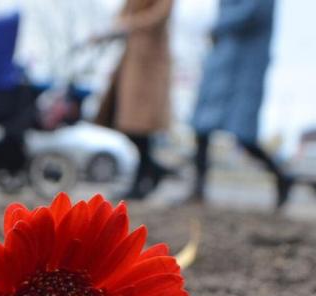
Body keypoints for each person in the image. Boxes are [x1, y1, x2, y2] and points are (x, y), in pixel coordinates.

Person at [189, 0, 292, 208]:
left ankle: (282, 177)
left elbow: (251, 14)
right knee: (201, 128)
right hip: (222, 64)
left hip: (245, 69)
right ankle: (198, 189)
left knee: (244, 136)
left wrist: (217, 27)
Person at [93, 0, 175, 200]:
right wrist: (107, 32)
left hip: (149, 63)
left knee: (139, 125)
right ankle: (152, 170)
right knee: (123, 121)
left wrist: (129, 23)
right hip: (131, 61)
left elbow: (159, 16)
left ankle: (144, 177)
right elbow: (121, 15)